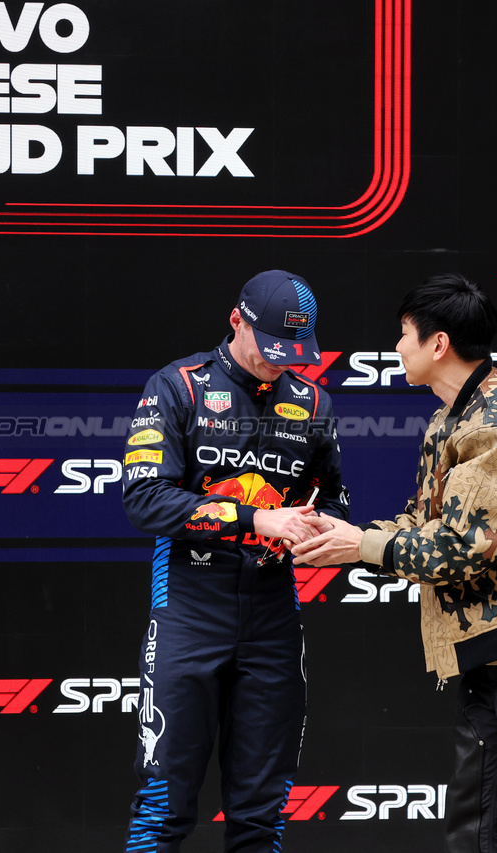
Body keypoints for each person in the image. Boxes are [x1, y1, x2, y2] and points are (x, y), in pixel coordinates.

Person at [293, 273, 497, 852]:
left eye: (403, 334)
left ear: (438, 343)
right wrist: (346, 534)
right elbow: (424, 525)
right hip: (491, 648)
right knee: (483, 830)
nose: (396, 347)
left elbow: (461, 546)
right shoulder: (450, 419)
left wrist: (360, 547)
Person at [121, 270, 348, 852]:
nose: (280, 363)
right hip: (189, 613)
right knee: (163, 807)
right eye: (271, 348)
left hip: (272, 616)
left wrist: (319, 530)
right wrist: (255, 519)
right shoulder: (178, 387)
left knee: (259, 815)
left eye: (293, 353)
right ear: (236, 321)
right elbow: (144, 498)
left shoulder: (315, 402)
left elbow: (335, 500)